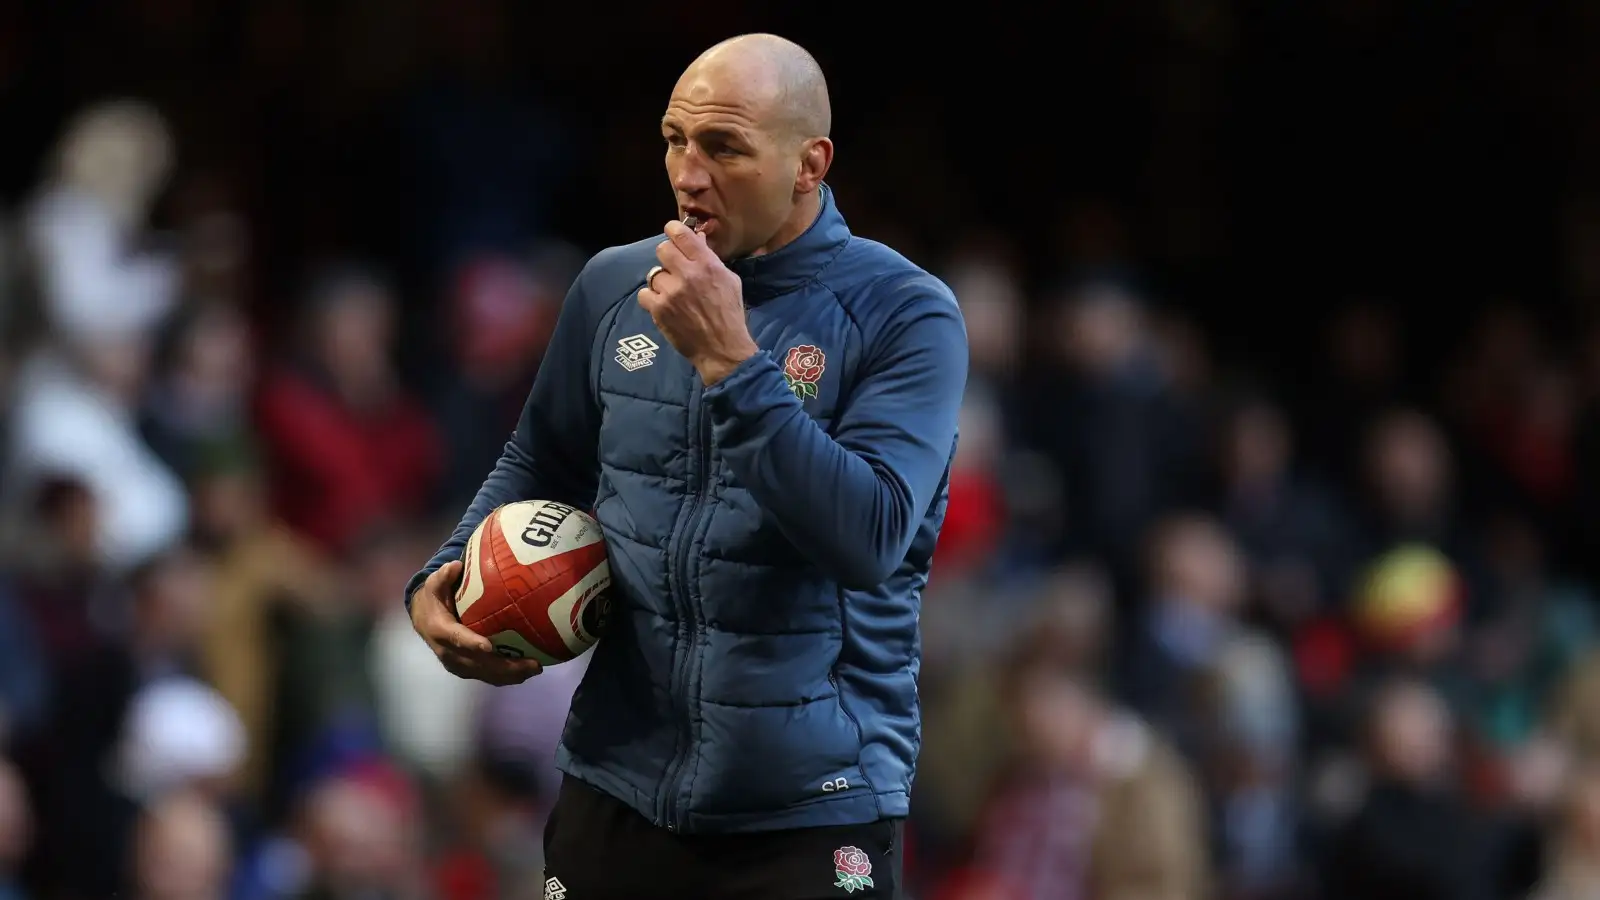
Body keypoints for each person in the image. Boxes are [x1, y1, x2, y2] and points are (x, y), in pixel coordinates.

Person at [405, 32, 966, 900]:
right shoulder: (611, 287)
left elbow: (871, 537)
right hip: (615, 784)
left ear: (809, 164)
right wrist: (445, 573)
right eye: (676, 139)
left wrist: (735, 368)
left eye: (724, 147)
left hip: (811, 810)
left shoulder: (906, 315)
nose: (688, 174)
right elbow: (541, 457)